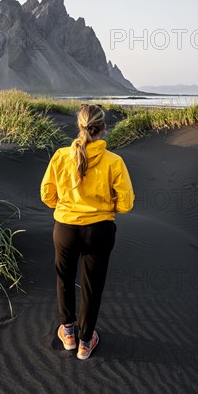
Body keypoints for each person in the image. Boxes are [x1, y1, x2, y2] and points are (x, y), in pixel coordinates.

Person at [40, 104, 134, 360]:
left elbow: (47, 195)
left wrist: (66, 206)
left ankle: (68, 334)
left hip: (65, 229)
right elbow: (126, 204)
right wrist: (103, 207)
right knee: (93, 286)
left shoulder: (60, 156)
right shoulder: (115, 162)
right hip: (100, 230)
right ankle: (85, 342)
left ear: (79, 126)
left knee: (64, 279)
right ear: (103, 127)